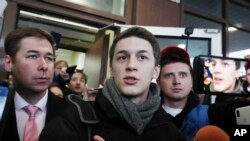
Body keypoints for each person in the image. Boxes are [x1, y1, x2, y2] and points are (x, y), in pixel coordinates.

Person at [39, 26, 186, 141]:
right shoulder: (76, 118)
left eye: (142, 57)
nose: (131, 65)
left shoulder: (172, 132)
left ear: (155, 71)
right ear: (111, 69)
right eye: (122, 58)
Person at [157, 46, 250, 141]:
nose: (177, 81)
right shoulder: (146, 116)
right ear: (158, 82)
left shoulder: (213, 113)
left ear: (192, 79)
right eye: (169, 75)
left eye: (183, 75)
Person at [0, 28, 72, 141]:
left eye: (49, 58)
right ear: (9, 63)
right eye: (32, 56)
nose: (44, 66)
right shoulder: (1, 106)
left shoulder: (73, 113)